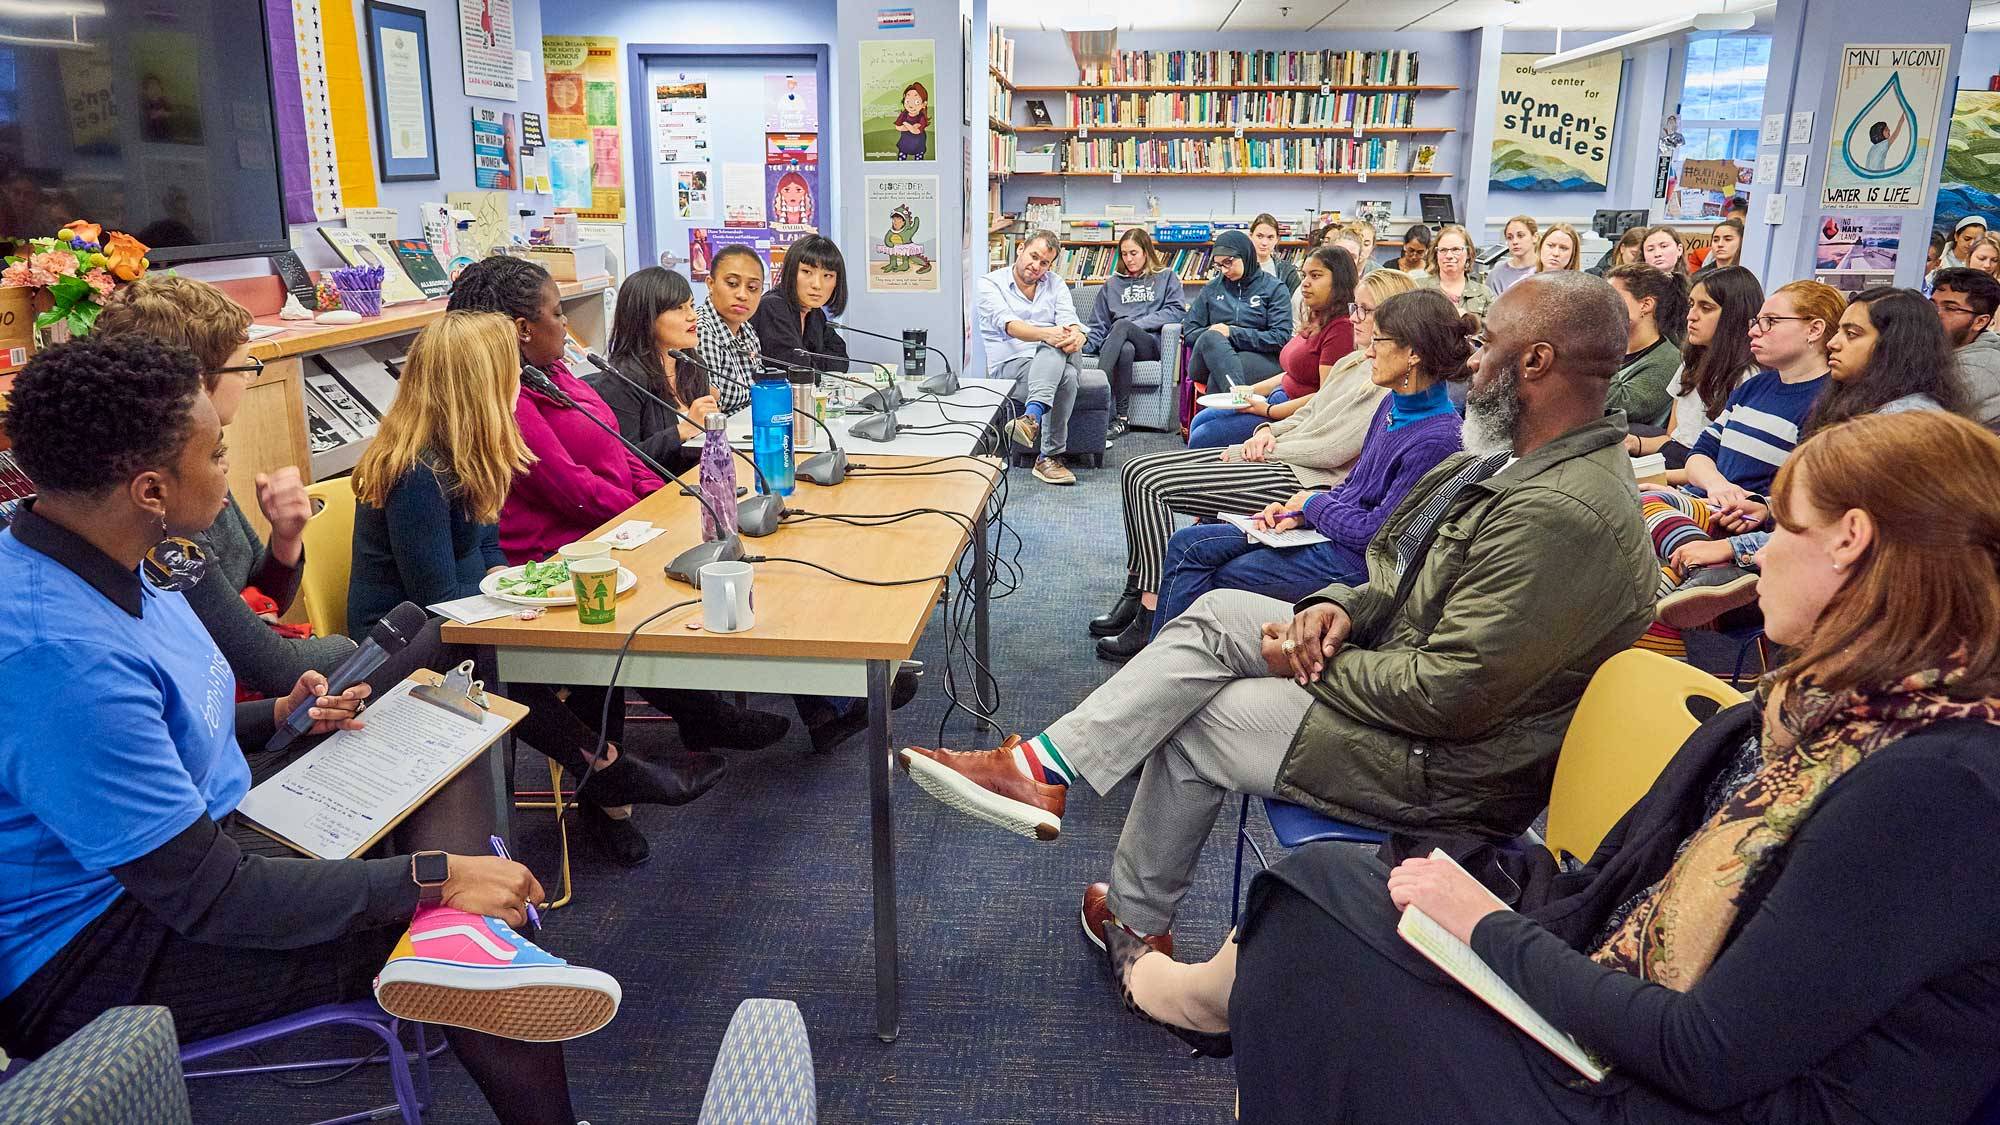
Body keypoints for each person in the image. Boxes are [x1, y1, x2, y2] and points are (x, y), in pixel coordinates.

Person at [1134, 412, 2000, 1125]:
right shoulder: (1839, 713)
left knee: (1324, 917)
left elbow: (1707, 1053)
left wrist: (1485, 928)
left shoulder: (1935, 787)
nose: (1761, 551)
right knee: (1346, 883)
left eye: (1787, 530)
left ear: (1851, 542)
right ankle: (1222, 1001)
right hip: (1654, 1009)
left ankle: (1218, 1002)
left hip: (1678, 1095)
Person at [899, 272, 1657, 958]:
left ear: (1537, 362)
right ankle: (1044, 771)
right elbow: (1400, 570)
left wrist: (1310, 654)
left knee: (1192, 714)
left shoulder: (1560, 510)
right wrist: (1333, 606)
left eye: (1490, 345)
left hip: (1446, 768)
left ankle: (1128, 906)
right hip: (1401, 685)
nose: (1474, 361)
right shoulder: (1518, 461)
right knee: (1222, 611)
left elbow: (1445, 694)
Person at [0, 336, 619, 1125]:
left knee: (447, 727)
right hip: (97, 953)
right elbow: (211, 897)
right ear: (151, 488)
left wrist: (279, 714)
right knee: (463, 928)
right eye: (217, 454)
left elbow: (166, 727)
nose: (229, 473)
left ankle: (479, 928)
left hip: (202, 846)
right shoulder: (59, 654)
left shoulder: (122, 553)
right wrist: (434, 878)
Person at [445, 255, 791, 862]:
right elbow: (569, 484)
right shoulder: (510, 399)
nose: (569, 329)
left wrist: (660, 496)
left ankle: (696, 716)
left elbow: (615, 448)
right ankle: (609, 799)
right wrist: (641, 513)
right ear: (522, 329)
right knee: (615, 632)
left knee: (694, 575)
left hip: (611, 530)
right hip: (557, 549)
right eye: (558, 314)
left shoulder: (560, 375)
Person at [349, 311, 729, 851]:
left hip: (454, 620)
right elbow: (433, 597)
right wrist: (502, 596)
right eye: (509, 375)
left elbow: (484, 551)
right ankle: (606, 768)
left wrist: (506, 581)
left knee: (592, 634)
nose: (518, 386)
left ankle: (606, 777)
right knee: (493, 658)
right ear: (477, 387)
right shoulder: (417, 471)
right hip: (397, 644)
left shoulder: (467, 453)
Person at [1088, 269, 1421, 660]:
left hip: (1300, 475)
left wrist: (1269, 446)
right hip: (1285, 458)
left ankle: (1149, 608)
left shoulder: (1380, 382)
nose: (1355, 319)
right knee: (1136, 470)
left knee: (1148, 480)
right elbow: (1310, 415)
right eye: (1355, 309)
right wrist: (1266, 430)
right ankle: (1139, 590)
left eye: (1366, 311)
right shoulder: (1354, 364)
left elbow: (1329, 449)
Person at [92, 275, 357, 696]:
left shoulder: (197, 458)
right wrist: (353, 650)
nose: (251, 378)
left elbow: (260, 596)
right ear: (195, 380)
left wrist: (286, 539)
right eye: (244, 366)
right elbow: (265, 666)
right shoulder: (164, 505)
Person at [1152, 289, 1468, 629]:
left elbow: (1374, 536)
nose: (1369, 352)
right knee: (1188, 544)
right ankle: (1162, 663)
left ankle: (1178, 662)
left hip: (1355, 562)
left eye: (1379, 341)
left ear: (1414, 354)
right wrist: (1298, 512)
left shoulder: (1438, 439)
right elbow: (1353, 486)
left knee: (1222, 574)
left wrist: (1312, 504)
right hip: (1329, 534)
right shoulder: (1392, 405)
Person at [1654, 286, 1962, 631]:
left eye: (1852, 333)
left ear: (1897, 345)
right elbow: (1830, 505)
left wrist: (1734, 547)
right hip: (1776, 539)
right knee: (1657, 573)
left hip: (1872, 602)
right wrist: (1766, 507)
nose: (1834, 342)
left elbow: (1848, 530)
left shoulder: (1903, 425)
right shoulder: (1863, 409)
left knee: (1657, 592)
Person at [1632, 280, 1842, 658]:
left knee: (1650, 586)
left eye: (1770, 322)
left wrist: (1737, 499)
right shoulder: (1755, 387)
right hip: (1709, 503)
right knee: (1643, 503)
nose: (1754, 330)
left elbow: (1807, 496)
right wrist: (1718, 486)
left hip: (1746, 520)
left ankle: (1700, 579)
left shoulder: (1827, 402)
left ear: (1814, 329)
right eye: (1755, 321)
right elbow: (1700, 454)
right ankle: (1699, 572)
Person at [1186, 246, 1356, 451]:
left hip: (1291, 414)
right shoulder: (1317, 319)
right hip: (1276, 398)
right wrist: (1251, 390)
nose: (1305, 284)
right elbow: (1290, 375)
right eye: (1304, 275)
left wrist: (1268, 410)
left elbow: (1325, 397)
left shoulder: (1341, 329)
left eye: (1316, 275)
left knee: (1204, 436)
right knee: (1199, 421)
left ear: (1339, 281)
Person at [1626, 266, 1763, 483]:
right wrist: (1634, 443)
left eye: (1706, 308)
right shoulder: (1690, 363)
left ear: (1734, 314)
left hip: (1699, 479)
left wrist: (1643, 477)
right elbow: (1674, 440)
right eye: (1691, 305)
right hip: (1673, 463)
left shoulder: (1747, 379)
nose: (1691, 316)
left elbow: (1718, 469)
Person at [980, 230, 1088, 486]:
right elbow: (1011, 327)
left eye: (1044, 263)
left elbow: (1068, 319)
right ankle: (1048, 457)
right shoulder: (990, 283)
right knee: (1067, 375)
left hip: (1054, 358)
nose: (1036, 266)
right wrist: (1050, 335)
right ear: (1020, 248)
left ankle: (1030, 419)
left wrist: (1078, 334)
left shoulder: (1055, 283)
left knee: (1058, 345)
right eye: (1034, 256)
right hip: (1010, 367)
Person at [586, 266, 718, 476]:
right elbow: (625, 460)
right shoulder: (621, 381)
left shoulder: (692, 366)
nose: (692, 316)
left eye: (691, 305)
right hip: (653, 497)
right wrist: (681, 432)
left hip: (696, 484)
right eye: (679, 308)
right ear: (646, 317)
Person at [1083, 227, 1188, 440]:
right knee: (1124, 348)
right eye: (1124, 254)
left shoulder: (1166, 277)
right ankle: (1122, 419)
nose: (1129, 259)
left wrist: (1136, 325)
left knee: (1122, 326)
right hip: (1118, 344)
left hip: (1148, 344)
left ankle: (1097, 394)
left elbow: (1176, 310)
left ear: (1146, 252)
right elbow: (1098, 324)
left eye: (1134, 253)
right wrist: (1082, 347)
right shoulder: (1112, 284)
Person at [1181, 228, 1294, 399]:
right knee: (1211, 336)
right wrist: (1217, 332)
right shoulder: (1212, 289)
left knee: (1217, 379)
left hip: (1259, 358)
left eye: (1228, 262)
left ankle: (1223, 414)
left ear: (1245, 255)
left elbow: (1280, 338)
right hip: (1208, 358)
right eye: (1219, 265)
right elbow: (1188, 332)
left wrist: (1233, 333)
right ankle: (1239, 402)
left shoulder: (1274, 288)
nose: (1224, 270)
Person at [748, 233, 851, 379]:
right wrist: (814, 365)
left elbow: (841, 361)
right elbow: (798, 372)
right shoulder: (772, 306)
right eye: (807, 272)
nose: (817, 285)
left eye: (827, 276)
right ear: (791, 272)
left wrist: (811, 363)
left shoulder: (815, 313)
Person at [688, 245, 770, 414]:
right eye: (732, 284)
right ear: (710, 283)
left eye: (752, 288)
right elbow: (711, 411)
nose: (742, 295)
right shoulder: (702, 331)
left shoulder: (747, 330)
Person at [1603, 264, 1687, 426]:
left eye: (1612, 297)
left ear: (1646, 304)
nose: (1604, 306)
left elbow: (1620, 407)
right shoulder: (1618, 346)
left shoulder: (1668, 361)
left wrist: (1598, 347)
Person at [1929, 266, 2000, 428]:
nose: (1935, 314)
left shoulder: (1982, 366)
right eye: (1933, 305)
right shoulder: (1941, 347)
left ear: (1980, 321)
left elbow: (1915, 415)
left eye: (1950, 308)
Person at [1415, 224, 1494, 316]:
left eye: (1456, 249)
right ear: (1436, 254)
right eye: (1443, 250)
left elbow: (1491, 329)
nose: (1449, 256)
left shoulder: (1484, 293)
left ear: (1468, 253)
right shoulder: (1417, 288)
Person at [1248, 213, 1301, 295]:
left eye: (1270, 237)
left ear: (1277, 239)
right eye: (1259, 236)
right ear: (1251, 236)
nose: (1264, 243)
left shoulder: (1287, 271)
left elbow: (1295, 302)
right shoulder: (1238, 267)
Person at [1486, 215, 1539, 293]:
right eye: (1510, 237)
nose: (1515, 242)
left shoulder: (1545, 269)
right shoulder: (1496, 274)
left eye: (1520, 236)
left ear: (1535, 237)